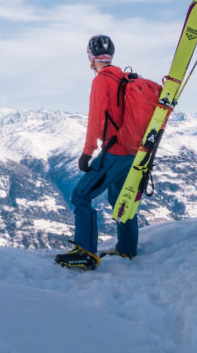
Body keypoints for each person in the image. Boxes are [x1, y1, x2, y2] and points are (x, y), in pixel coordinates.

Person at [55, 35, 144, 270]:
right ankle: (127, 248)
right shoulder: (125, 78)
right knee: (120, 199)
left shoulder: (101, 81)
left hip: (114, 152)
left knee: (81, 196)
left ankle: (85, 253)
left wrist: (87, 152)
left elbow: (95, 119)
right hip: (134, 153)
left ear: (91, 58)